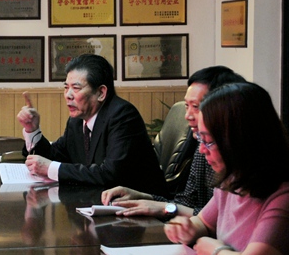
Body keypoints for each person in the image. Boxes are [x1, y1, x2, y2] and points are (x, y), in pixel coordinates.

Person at [164, 82, 289, 255]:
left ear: (241, 140)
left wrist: (214, 252)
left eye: (209, 141)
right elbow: (203, 222)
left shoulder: (282, 196)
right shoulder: (232, 179)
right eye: (200, 138)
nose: (202, 150)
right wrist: (188, 228)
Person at [101, 66, 246, 218]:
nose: (187, 116)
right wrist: (141, 197)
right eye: (186, 106)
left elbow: (219, 221)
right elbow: (186, 203)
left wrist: (165, 208)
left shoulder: (241, 160)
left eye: (196, 107)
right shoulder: (202, 146)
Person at [17, 54, 165, 192]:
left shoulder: (122, 116)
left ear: (101, 93)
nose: (68, 95)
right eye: (66, 88)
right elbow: (55, 156)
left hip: (139, 204)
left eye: (76, 88)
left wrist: (51, 168)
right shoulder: (76, 120)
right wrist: (32, 130)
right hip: (95, 200)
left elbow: (110, 175)